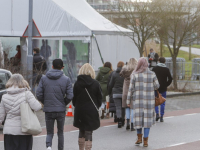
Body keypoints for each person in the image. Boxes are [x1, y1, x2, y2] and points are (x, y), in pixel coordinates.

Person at [36, 59, 73, 150]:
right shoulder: (66, 79)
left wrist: (46, 103)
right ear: (62, 67)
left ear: (52, 66)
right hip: (60, 110)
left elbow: (38, 94)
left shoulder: (44, 78)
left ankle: (49, 146)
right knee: (60, 132)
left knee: (49, 132)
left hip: (48, 110)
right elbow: (70, 95)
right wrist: (63, 103)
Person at [0, 74, 42, 150]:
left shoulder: (4, 96)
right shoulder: (27, 94)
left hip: (9, 131)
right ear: (23, 81)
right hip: (25, 130)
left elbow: (1, 115)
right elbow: (37, 107)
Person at [127, 57, 159, 147]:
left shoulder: (135, 75)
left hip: (138, 101)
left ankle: (139, 138)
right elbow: (157, 86)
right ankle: (145, 141)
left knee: (138, 120)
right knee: (147, 120)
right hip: (149, 101)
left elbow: (130, 89)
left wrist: (128, 101)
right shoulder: (152, 74)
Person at [73, 63, 102, 150]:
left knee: (81, 130)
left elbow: (74, 98)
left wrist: (77, 106)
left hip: (79, 110)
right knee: (89, 131)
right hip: (91, 110)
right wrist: (96, 106)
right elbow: (100, 98)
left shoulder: (77, 83)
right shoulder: (96, 83)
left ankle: (81, 148)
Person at [152, 57, 173, 122]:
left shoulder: (154, 69)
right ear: (164, 62)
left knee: (155, 101)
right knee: (162, 102)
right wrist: (166, 84)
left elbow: (151, 77)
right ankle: (162, 116)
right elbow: (170, 78)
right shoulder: (166, 69)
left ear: (158, 61)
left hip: (155, 88)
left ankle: (157, 114)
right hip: (163, 87)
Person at [120, 58, 137, 131]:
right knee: (132, 107)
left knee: (127, 107)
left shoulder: (125, 69)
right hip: (134, 89)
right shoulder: (136, 69)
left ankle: (127, 123)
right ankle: (132, 124)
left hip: (126, 89)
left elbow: (120, 74)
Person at [108, 61, 125, 128]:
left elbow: (110, 84)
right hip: (123, 93)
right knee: (123, 107)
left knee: (118, 107)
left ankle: (119, 120)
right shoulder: (125, 74)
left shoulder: (114, 74)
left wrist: (110, 93)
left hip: (115, 93)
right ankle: (123, 119)